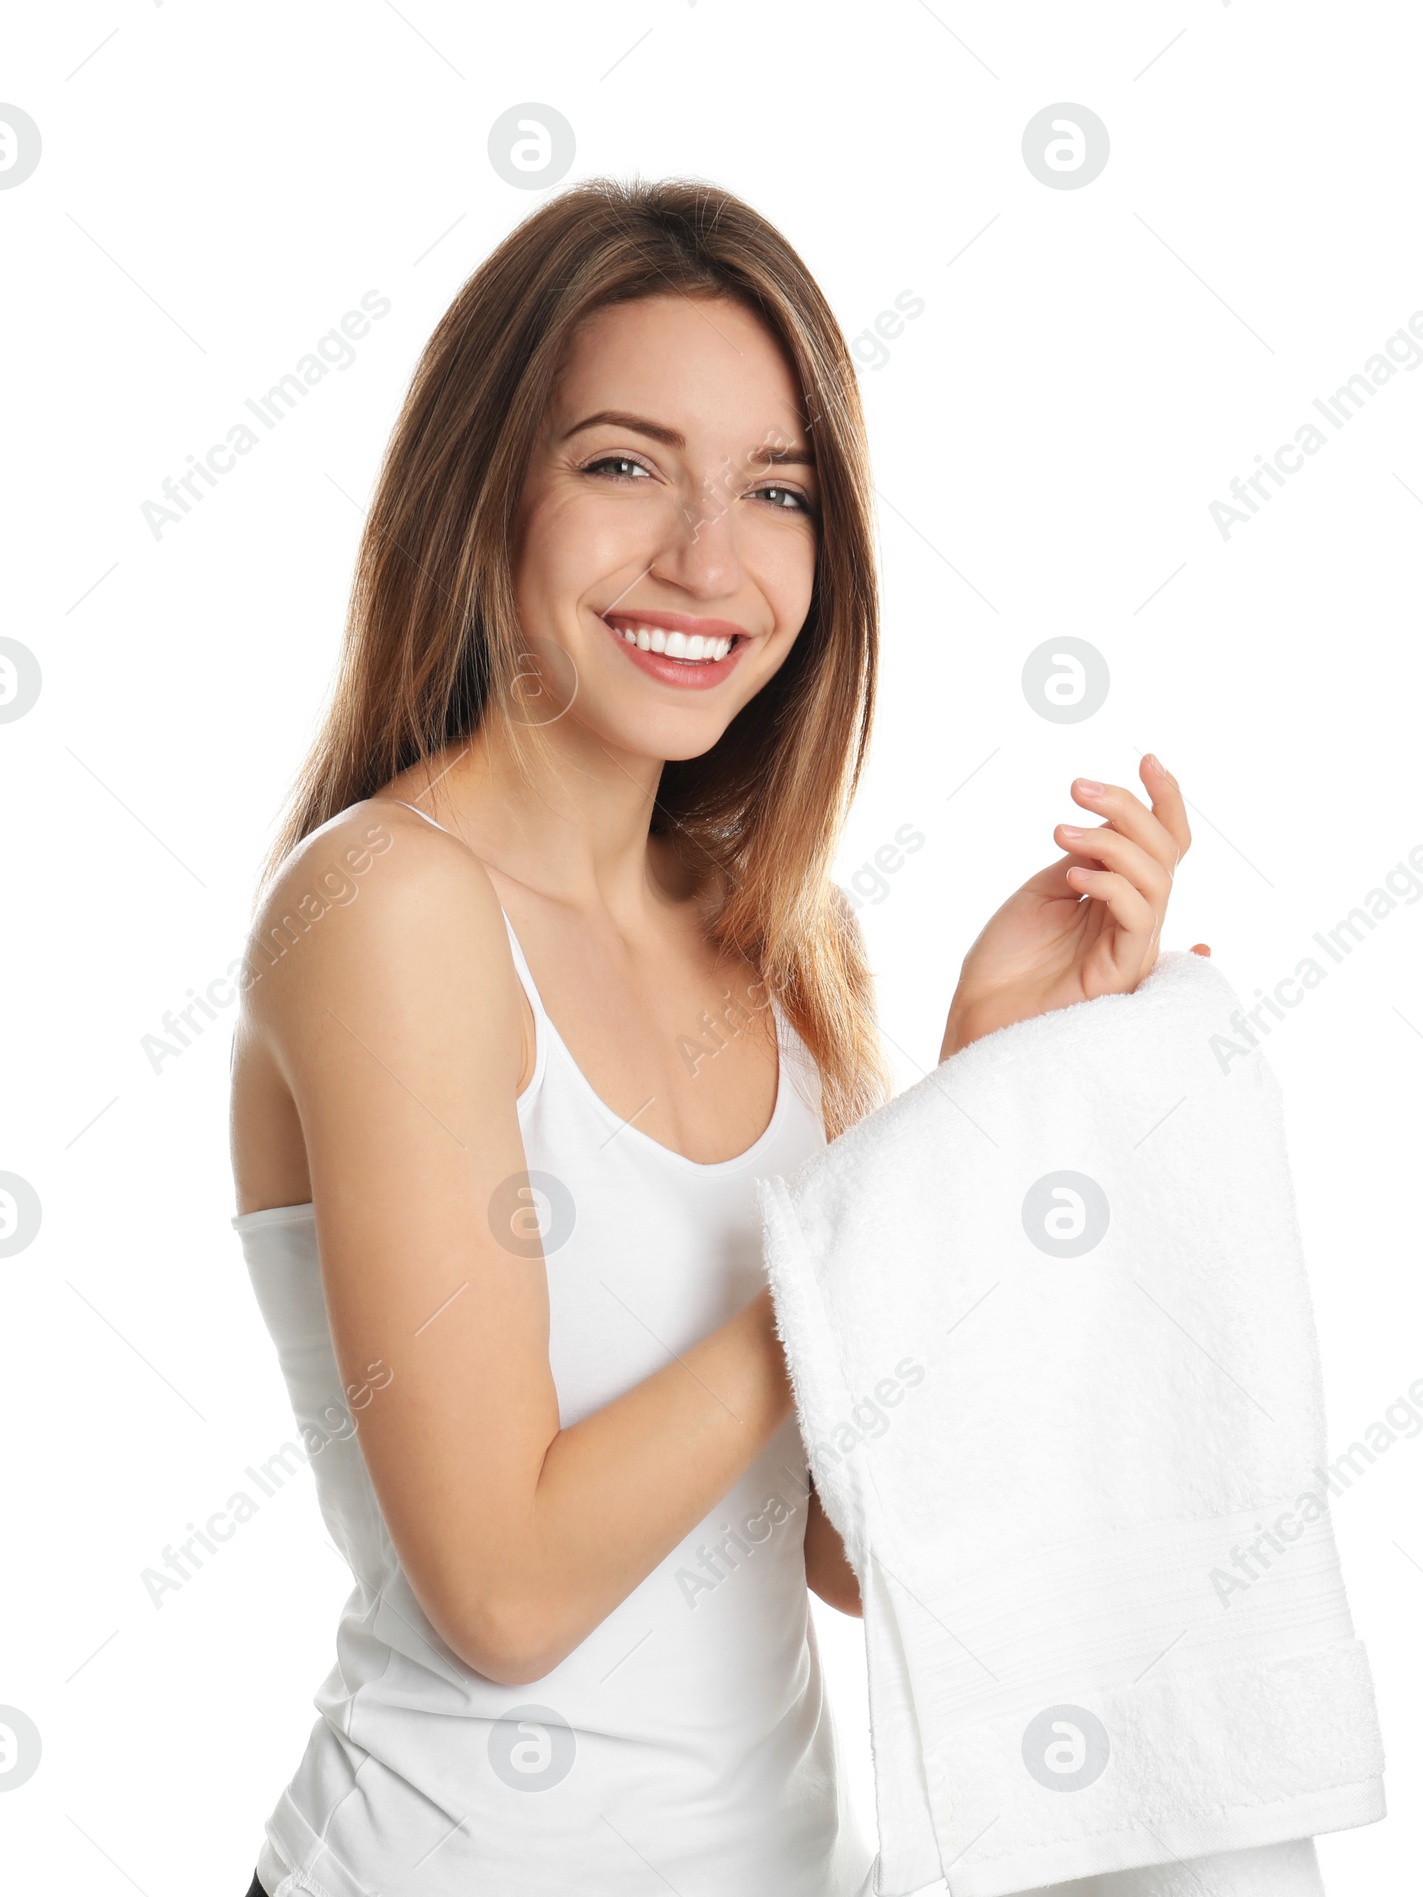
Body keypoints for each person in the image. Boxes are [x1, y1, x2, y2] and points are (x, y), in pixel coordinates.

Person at [229, 175, 1196, 1897]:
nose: (707, 556)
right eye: (623, 463)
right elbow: (506, 1590)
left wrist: (982, 1094)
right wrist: (864, 1230)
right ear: (487, 495)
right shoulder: (384, 906)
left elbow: (840, 1546)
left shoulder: (779, 943)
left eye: (777, 490)